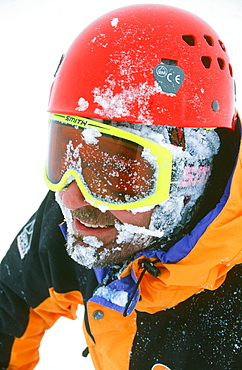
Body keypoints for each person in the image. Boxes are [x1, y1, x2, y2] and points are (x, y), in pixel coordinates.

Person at [0, 4, 241, 369]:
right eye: (66, 154)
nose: (68, 195)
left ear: (190, 177)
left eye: (116, 175)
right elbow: (10, 299)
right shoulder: (83, 219)